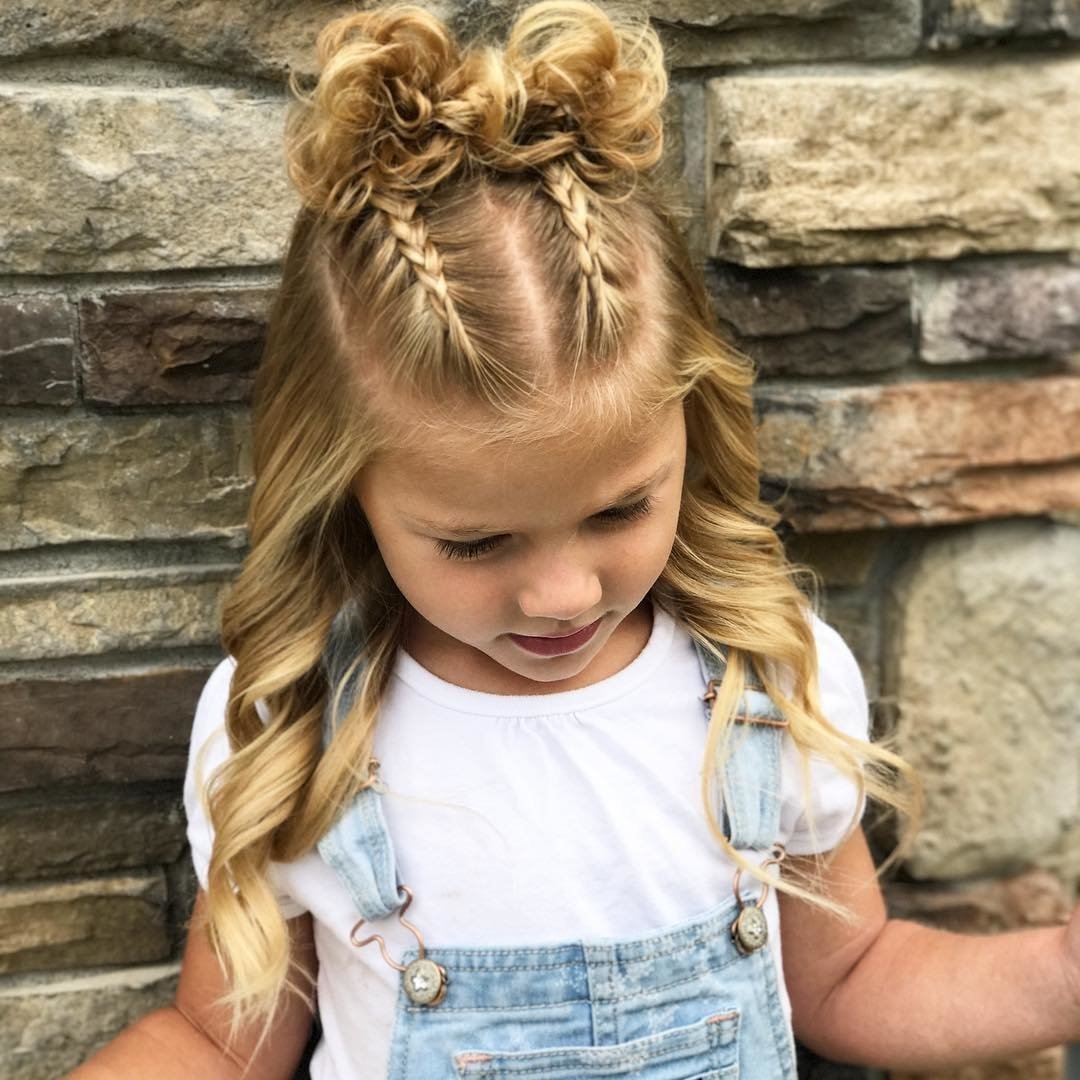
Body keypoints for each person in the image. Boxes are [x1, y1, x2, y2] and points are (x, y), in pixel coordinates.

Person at [72, 3, 1080, 1078]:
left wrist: (1060, 971)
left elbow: (847, 978)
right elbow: (218, 1046)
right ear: (342, 493)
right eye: (475, 543)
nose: (561, 594)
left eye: (618, 512)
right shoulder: (295, 727)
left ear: (692, 435)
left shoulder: (765, 681)